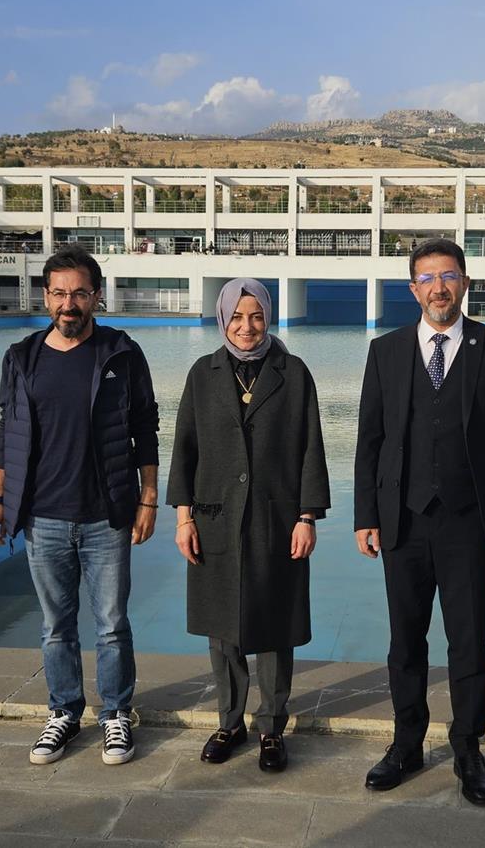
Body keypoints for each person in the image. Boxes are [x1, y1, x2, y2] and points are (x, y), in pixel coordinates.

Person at [353, 237, 485, 807]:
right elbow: (370, 440)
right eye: (427, 278)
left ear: (465, 283)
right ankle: (406, 744)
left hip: (468, 522)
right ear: (413, 289)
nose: (438, 288)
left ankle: (468, 748)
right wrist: (365, 516)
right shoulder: (385, 351)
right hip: (401, 520)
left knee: (468, 641)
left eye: (448, 276)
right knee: (405, 640)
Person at [0, 244, 160, 768]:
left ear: (95, 296)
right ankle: (63, 712)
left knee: (112, 624)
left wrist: (149, 496)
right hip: (43, 516)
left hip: (107, 515)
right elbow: (8, 432)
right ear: (46, 296)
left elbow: (145, 427)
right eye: (59, 293)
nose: (69, 303)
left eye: (79, 293)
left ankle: (116, 715)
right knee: (56, 626)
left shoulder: (121, 353)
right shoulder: (22, 358)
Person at [167, 279, 329, 773]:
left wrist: (306, 517)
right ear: (222, 319)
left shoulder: (293, 373)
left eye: (256, 316)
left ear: (268, 317)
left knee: (275, 626)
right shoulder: (203, 373)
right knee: (223, 629)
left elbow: (311, 447)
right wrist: (183, 517)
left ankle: (272, 726)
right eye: (237, 317)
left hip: (277, 518)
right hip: (215, 518)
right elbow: (184, 447)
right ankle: (230, 722)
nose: (246, 326)